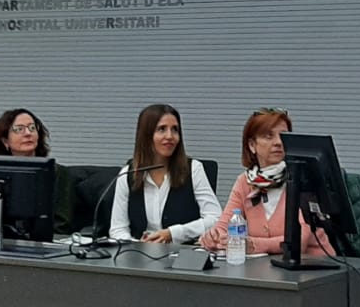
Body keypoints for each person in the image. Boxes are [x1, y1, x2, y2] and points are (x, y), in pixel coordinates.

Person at [200, 108, 329, 259]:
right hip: (266, 271)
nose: (278, 143)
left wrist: (253, 245)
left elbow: (298, 242)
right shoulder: (245, 182)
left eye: (284, 136)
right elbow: (224, 226)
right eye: (269, 136)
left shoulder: (303, 179)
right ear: (252, 145)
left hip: (314, 270)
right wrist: (213, 238)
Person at [108, 104, 220, 244]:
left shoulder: (194, 169)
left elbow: (215, 219)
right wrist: (137, 246)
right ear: (146, 135)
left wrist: (174, 233)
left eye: (175, 130)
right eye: (161, 129)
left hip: (183, 256)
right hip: (138, 258)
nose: (170, 136)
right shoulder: (127, 174)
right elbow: (118, 230)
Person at [0, 107, 74, 233]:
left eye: (32, 128)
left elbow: (62, 223)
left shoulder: (57, 173)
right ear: (5, 140)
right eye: (19, 129)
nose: (28, 133)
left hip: (44, 243)